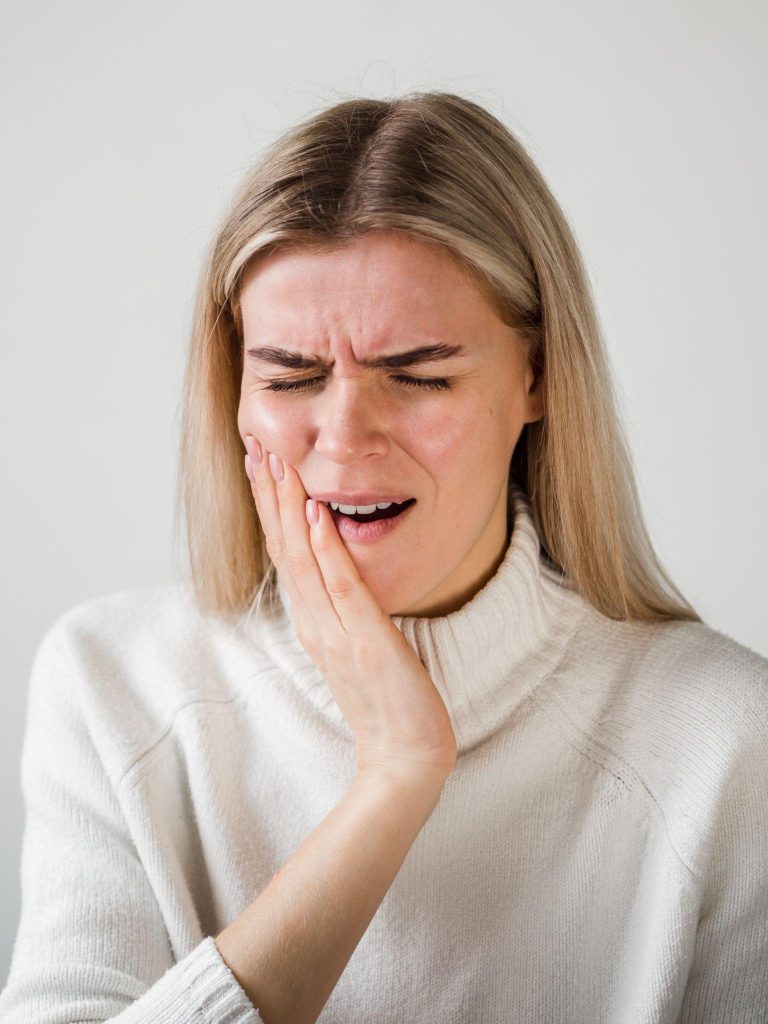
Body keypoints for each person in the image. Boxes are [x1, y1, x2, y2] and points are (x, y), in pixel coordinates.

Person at [1, 92, 766, 1024]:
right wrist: (395, 776)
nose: (345, 437)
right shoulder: (112, 685)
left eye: (417, 376)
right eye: (290, 377)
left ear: (537, 376)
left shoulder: (728, 741)